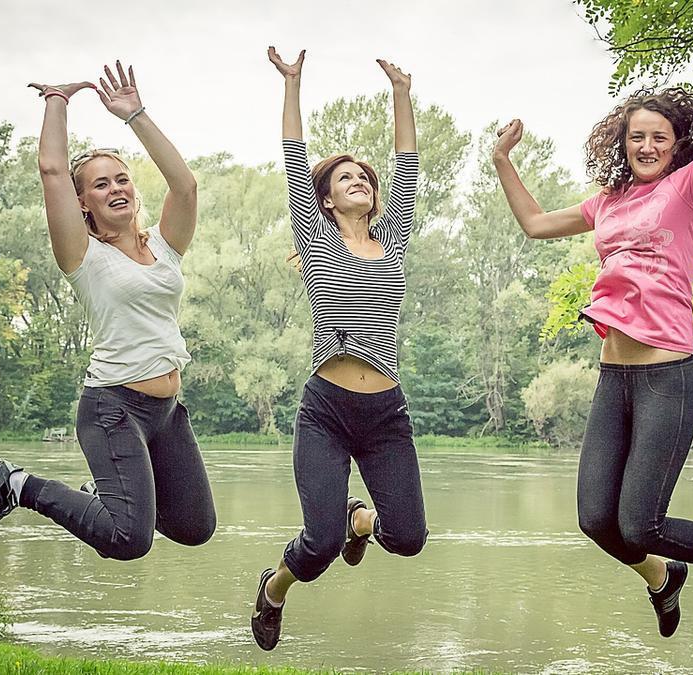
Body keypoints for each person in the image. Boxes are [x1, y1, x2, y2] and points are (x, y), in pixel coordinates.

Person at [491, 0, 693, 637]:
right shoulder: (605, 202)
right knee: (596, 522)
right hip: (615, 380)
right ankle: (663, 577)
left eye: (658, 135)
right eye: (636, 135)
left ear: (678, 144)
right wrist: (503, 160)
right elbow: (532, 225)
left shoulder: (691, 187)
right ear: (622, 142)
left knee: (643, 524)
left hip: (669, 377)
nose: (646, 144)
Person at [0, 61, 215, 561]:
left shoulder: (164, 248)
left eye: (121, 180)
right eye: (101, 185)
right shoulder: (83, 256)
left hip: (166, 413)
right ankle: (17, 484)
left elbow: (185, 186)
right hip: (113, 407)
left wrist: (135, 114)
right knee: (128, 540)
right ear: (83, 204)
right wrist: (58, 101)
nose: (116, 188)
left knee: (195, 528)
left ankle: (104, 496)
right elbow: (52, 170)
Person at [250, 46, 426, 651]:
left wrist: (402, 92)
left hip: (384, 413)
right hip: (326, 408)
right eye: (347, 177)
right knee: (318, 545)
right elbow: (294, 160)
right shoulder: (315, 231)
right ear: (326, 199)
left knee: (407, 537)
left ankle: (362, 520)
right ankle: (273, 589)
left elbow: (407, 162)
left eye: (367, 180)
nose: (362, 182)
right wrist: (294, 84)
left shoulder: (394, 237)